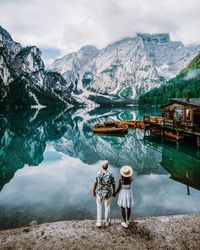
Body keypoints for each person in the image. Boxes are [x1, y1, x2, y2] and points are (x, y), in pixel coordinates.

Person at [92, 160, 115, 227]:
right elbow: (113, 184)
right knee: (107, 207)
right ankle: (107, 222)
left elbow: (95, 183)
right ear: (107, 166)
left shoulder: (98, 173)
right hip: (108, 193)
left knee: (99, 206)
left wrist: (93, 191)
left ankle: (99, 222)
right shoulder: (111, 174)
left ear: (102, 166)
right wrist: (114, 192)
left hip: (100, 193)